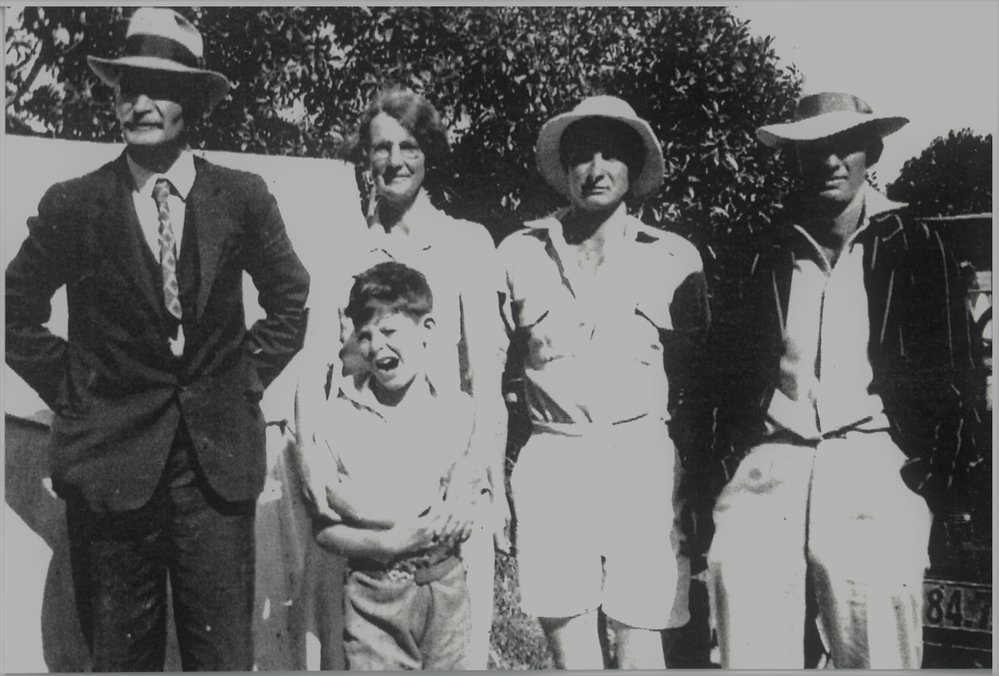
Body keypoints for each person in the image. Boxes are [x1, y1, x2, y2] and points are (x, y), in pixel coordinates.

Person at [4, 8, 310, 671]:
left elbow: (290, 300)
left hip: (215, 471)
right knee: (119, 660)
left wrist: (240, 380)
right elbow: (14, 311)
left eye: (159, 88)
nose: (139, 103)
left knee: (223, 656)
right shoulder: (75, 203)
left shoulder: (242, 198)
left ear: (193, 100)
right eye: (126, 87)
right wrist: (77, 392)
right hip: (112, 466)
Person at [679, 92, 988, 668]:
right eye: (814, 148)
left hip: (874, 459)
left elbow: (958, 375)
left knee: (875, 647)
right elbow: (720, 374)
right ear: (795, 158)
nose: (830, 161)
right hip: (771, 463)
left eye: (845, 145)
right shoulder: (761, 252)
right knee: (745, 629)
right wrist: (723, 469)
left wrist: (929, 479)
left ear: (870, 151)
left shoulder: (916, 247)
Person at [292, 86, 508, 668]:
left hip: (444, 482)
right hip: (362, 485)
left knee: (452, 650)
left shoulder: (468, 244)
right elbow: (313, 372)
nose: (394, 161)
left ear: (428, 152)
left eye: (408, 146)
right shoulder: (342, 252)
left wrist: (470, 477)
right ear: (365, 158)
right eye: (380, 147)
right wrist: (310, 456)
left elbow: (487, 381)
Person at [497, 95, 708, 669]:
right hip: (554, 457)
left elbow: (700, 382)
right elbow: (494, 372)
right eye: (582, 156)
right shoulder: (519, 254)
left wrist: (696, 484)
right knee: (572, 654)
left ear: (634, 169)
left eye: (611, 155)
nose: (596, 169)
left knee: (642, 642)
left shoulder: (673, 256)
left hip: (641, 460)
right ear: (563, 170)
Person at [298, 261, 488, 669]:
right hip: (374, 593)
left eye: (389, 331)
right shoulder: (337, 418)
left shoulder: (456, 411)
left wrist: (465, 514)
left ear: (428, 330)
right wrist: (387, 544)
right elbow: (326, 530)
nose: (376, 346)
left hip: (446, 589)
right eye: (365, 336)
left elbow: (471, 499)